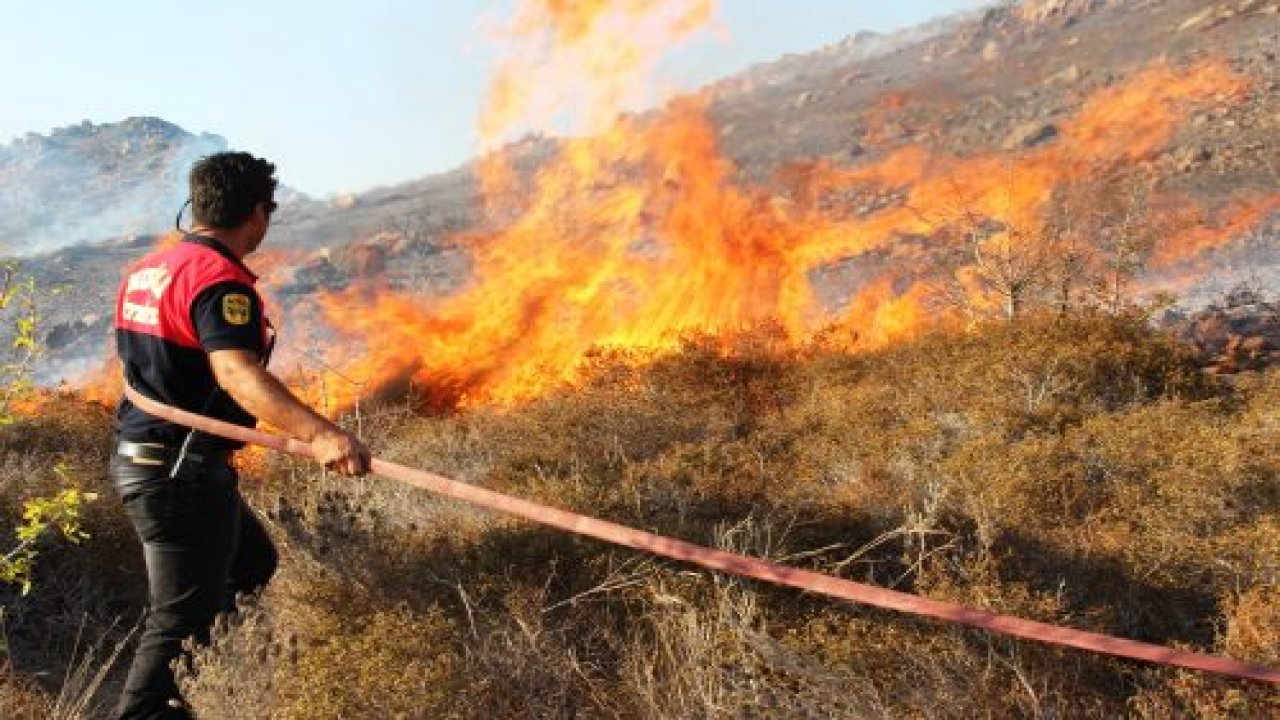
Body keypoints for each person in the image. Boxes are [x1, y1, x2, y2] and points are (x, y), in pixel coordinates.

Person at [110, 151, 370, 719]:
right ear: (258, 213)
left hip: (151, 460)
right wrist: (324, 435)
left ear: (196, 205)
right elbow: (236, 372)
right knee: (177, 619)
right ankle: (153, 711)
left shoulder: (145, 271)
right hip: (178, 472)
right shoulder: (219, 281)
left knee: (250, 565)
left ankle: (199, 690)